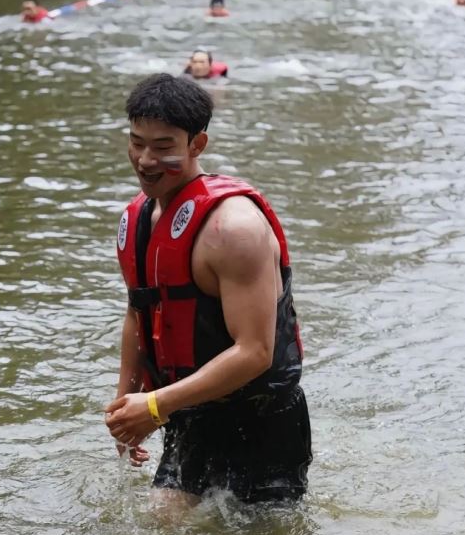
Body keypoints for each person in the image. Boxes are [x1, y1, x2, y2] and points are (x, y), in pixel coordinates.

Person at [104, 74, 312, 508]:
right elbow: (137, 312)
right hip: (190, 408)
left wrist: (156, 406)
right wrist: (128, 406)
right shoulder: (138, 221)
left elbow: (256, 351)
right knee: (164, 533)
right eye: (136, 142)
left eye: (163, 148)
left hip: (260, 417)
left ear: (197, 145)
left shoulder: (234, 229)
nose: (145, 160)